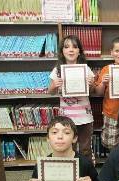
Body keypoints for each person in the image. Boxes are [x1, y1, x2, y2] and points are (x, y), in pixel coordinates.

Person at [47, 35, 95, 163]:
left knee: (85, 147)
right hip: (67, 118)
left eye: (75, 47)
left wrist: (91, 84)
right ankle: (69, 172)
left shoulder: (86, 69)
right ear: (62, 51)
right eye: (67, 47)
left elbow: (93, 91)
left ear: (79, 51)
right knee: (68, 147)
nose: (71, 50)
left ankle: (87, 172)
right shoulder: (57, 71)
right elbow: (50, 92)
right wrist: (54, 85)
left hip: (85, 117)